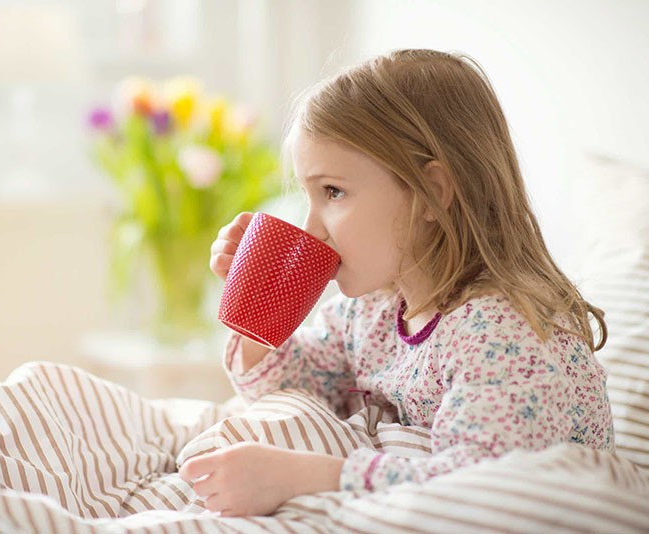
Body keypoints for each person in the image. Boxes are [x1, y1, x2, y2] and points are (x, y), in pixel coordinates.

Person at [179, 49, 613, 517]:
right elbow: (290, 386)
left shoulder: (502, 332)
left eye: (333, 192)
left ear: (433, 193)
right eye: (309, 196)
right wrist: (254, 301)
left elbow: (480, 485)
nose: (312, 228)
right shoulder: (376, 309)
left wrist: (302, 475)